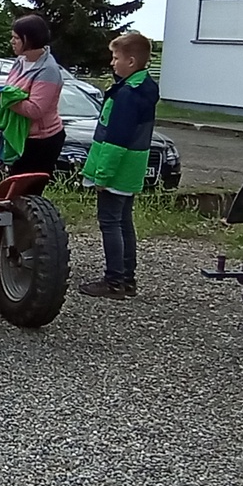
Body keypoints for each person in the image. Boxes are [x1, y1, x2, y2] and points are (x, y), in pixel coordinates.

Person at [79, 31, 161, 299]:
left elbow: (116, 139)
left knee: (111, 223)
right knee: (124, 222)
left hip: (117, 170)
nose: (112, 63)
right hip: (132, 168)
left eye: (116, 58)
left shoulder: (127, 95)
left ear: (132, 61)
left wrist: (102, 174)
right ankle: (127, 279)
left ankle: (114, 281)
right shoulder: (143, 88)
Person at [0, 14, 66, 184]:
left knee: (26, 191)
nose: (12, 41)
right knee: (13, 188)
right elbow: (13, 89)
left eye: (16, 38)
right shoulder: (20, 61)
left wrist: (0, 95)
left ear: (29, 39)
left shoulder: (48, 70)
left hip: (41, 141)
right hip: (23, 136)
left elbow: (35, 110)